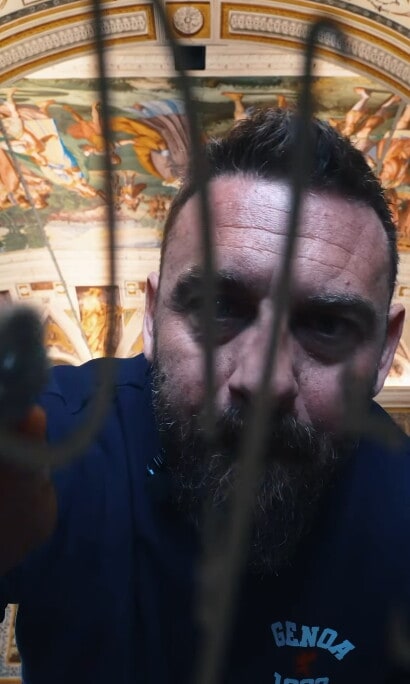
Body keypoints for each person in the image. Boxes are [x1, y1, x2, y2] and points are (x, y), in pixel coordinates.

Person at [0, 107, 410, 684]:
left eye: (326, 325)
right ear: (150, 315)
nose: (264, 380)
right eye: (219, 307)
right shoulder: (53, 447)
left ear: (386, 349)